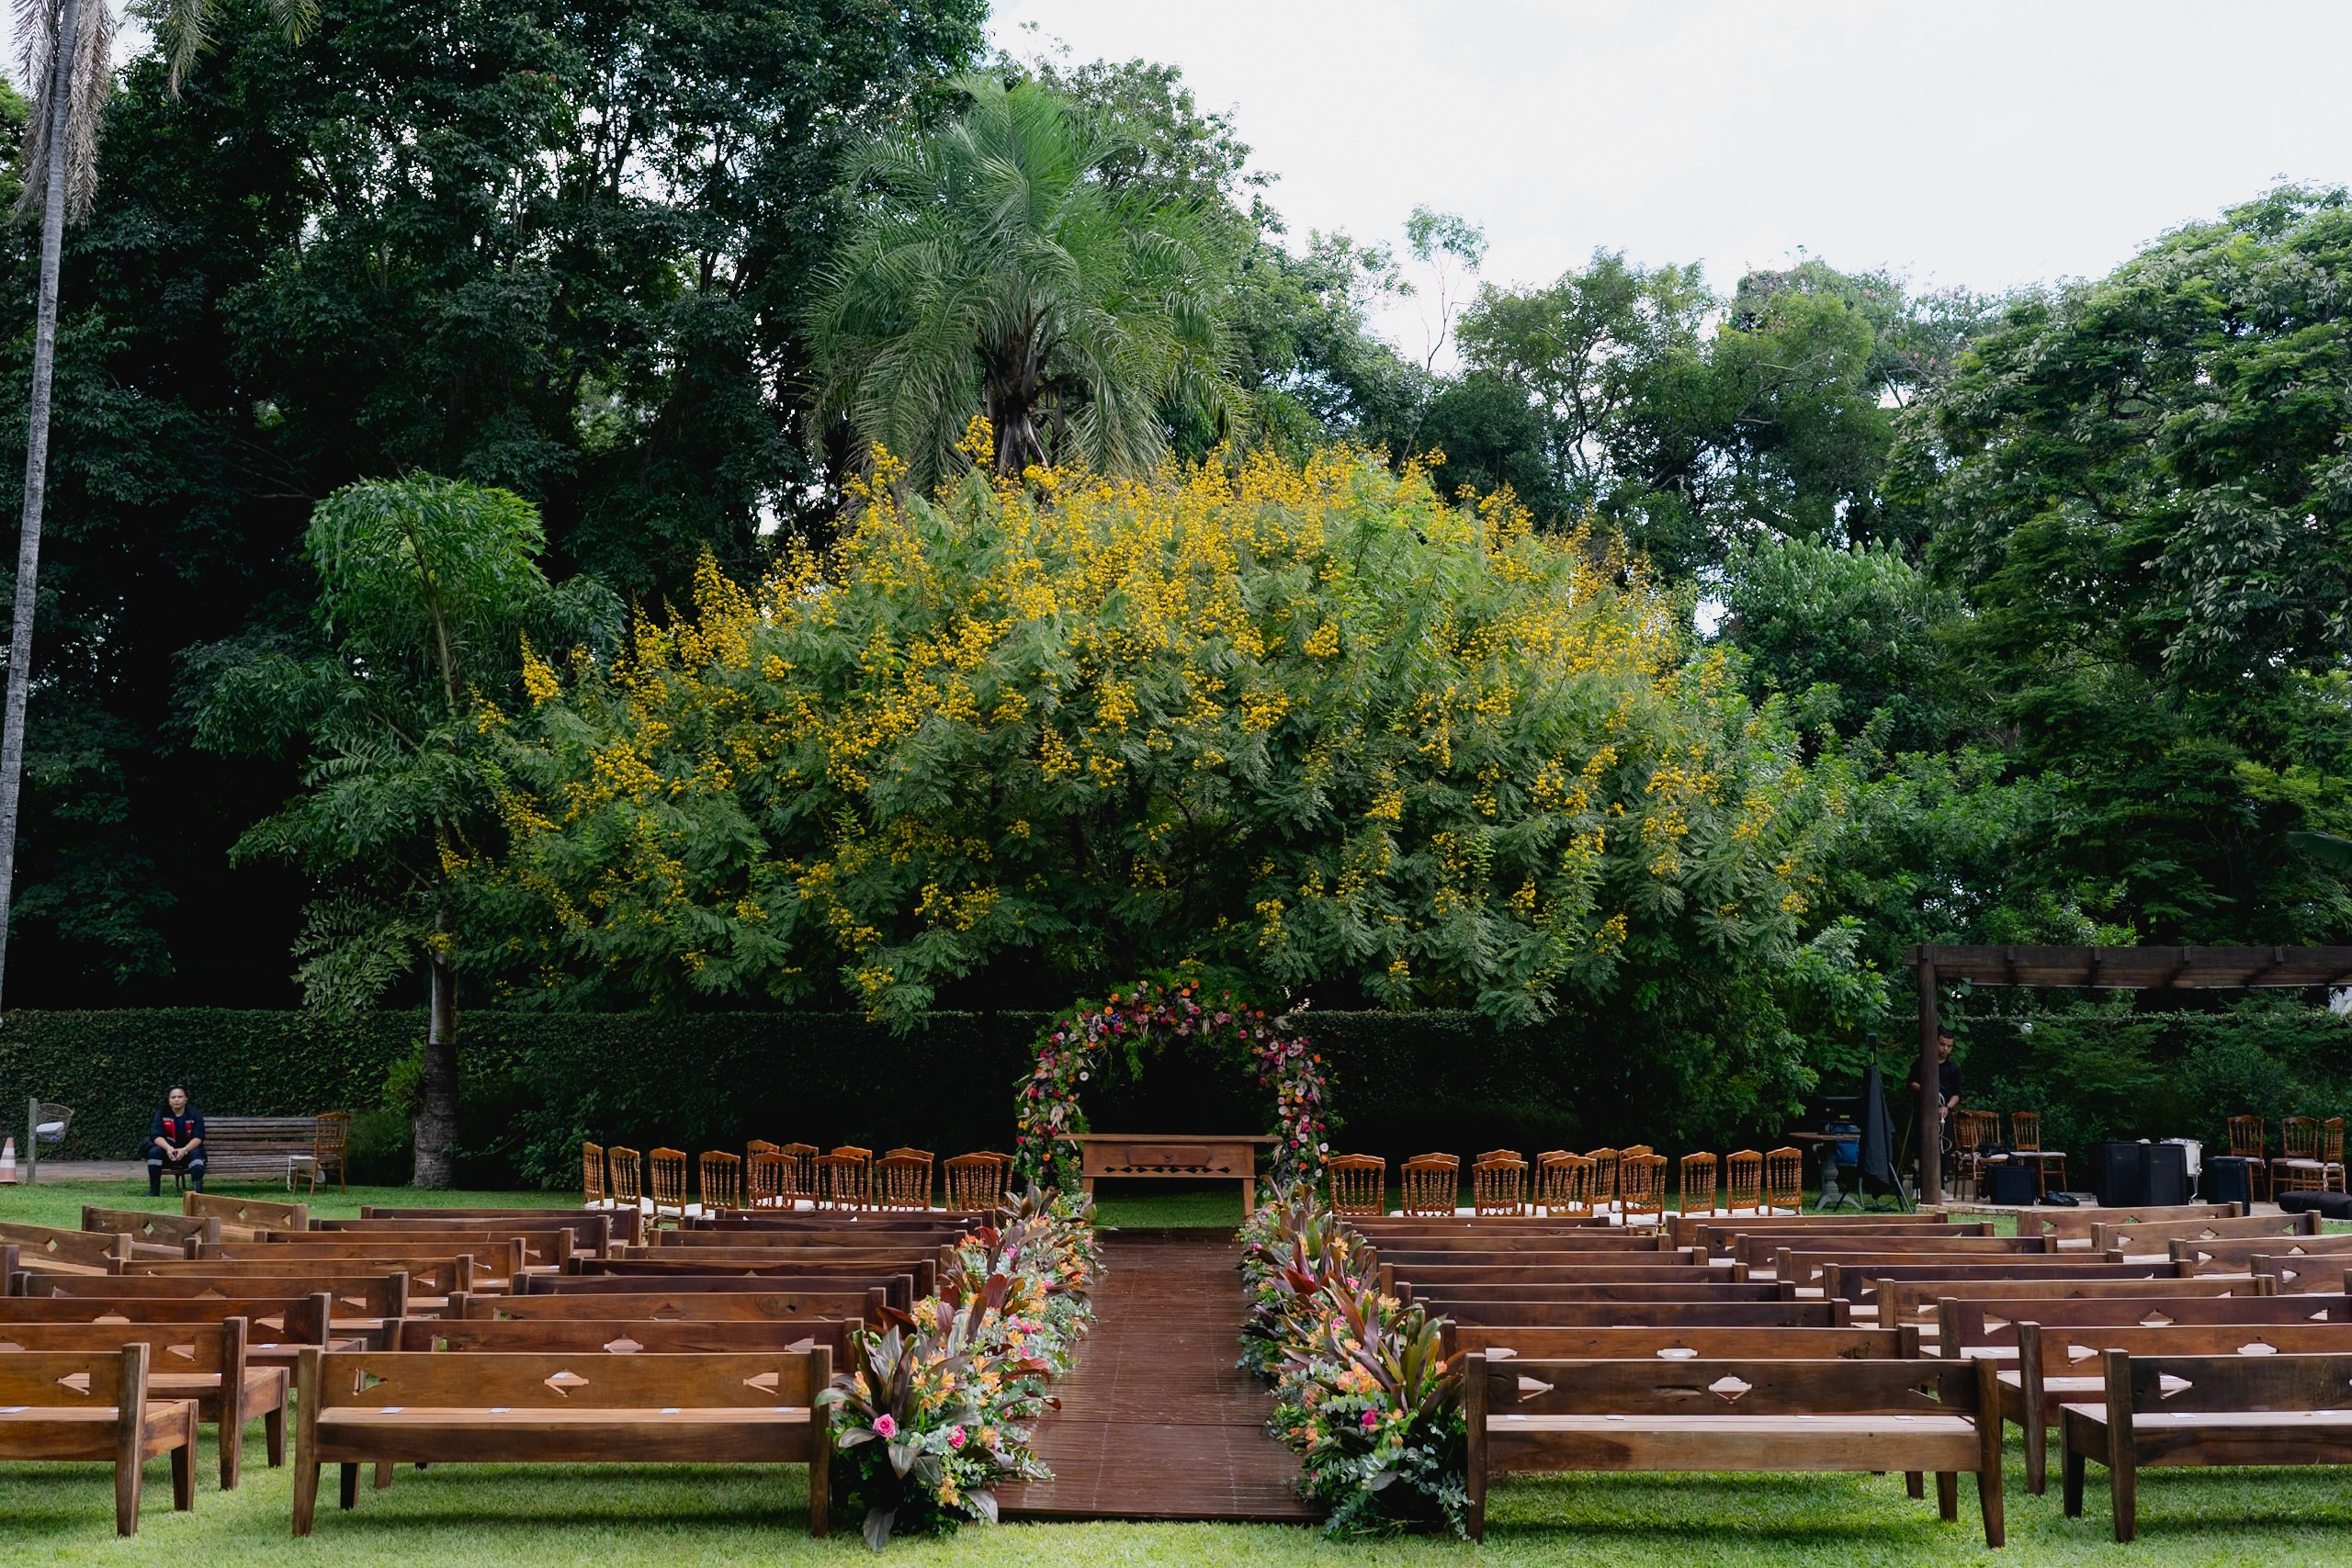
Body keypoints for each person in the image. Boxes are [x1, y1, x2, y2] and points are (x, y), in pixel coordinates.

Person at [1906, 1029, 1965, 1164]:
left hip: (1943, 1113)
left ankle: (1942, 1180)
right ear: (1936, 1043)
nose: (1945, 1049)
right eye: (1942, 1044)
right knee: (1921, 1146)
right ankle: (1919, 1179)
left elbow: (1957, 1093)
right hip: (1924, 1110)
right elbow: (1911, 1083)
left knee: (1943, 1148)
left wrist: (1947, 1108)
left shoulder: (1954, 1067)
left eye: (1949, 1046)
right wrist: (1926, 1090)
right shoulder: (1923, 1062)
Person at [149, 1087, 206, 1195]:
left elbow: (199, 1137)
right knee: (154, 1152)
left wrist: (184, 1150)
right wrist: (168, 1148)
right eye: (173, 1097)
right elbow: (156, 1136)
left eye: (180, 1097)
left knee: (197, 1154)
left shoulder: (195, 1114)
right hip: (168, 1154)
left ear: (185, 1099)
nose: (176, 1099)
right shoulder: (162, 1113)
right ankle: (154, 1191)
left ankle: (198, 1191)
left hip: (189, 1152)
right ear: (169, 1100)